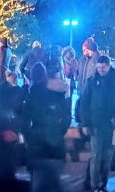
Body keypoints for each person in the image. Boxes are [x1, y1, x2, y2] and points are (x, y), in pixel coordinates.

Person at [22, 63, 71, 192]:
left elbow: (25, 119)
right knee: (54, 183)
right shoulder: (61, 95)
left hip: (37, 147)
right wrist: (60, 132)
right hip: (56, 147)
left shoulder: (35, 93)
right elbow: (66, 118)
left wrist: (29, 136)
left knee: (38, 184)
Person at [77, 54, 115, 192]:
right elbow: (84, 103)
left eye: (104, 67)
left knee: (107, 156)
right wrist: (85, 123)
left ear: (108, 66)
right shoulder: (91, 81)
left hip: (111, 125)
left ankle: (103, 183)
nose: (101, 69)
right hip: (95, 125)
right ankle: (94, 185)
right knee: (96, 156)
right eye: (99, 67)